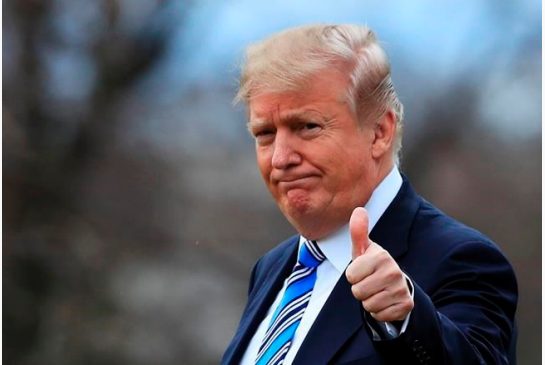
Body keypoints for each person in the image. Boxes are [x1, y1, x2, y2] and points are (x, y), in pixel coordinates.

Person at [221, 24, 517, 365]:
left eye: (307, 126)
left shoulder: (462, 259)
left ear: (379, 132)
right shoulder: (272, 267)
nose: (281, 158)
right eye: (265, 133)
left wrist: (406, 321)